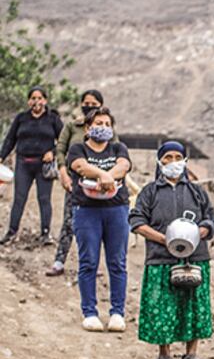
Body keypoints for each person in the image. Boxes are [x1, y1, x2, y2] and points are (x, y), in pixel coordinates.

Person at [128, 141, 214, 359]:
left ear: (185, 160)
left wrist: (199, 233)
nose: (173, 162)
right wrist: (164, 239)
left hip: (194, 258)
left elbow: (210, 218)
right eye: (168, 157)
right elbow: (137, 221)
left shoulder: (197, 191)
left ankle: (191, 354)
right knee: (162, 305)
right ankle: (164, 354)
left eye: (178, 157)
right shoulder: (150, 192)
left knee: (193, 305)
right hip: (161, 258)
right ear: (160, 161)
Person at [66, 107, 132, 332]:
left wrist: (107, 176)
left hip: (117, 209)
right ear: (87, 128)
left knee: (118, 262)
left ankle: (117, 313)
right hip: (86, 210)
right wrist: (103, 174)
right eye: (98, 124)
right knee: (88, 262)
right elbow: (79, 166)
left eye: (107, 124)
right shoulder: (78, 149)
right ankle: (90, 313)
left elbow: (123, 166)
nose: (103, 128)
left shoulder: (118, 148)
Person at [49, 89, 116, 276]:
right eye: (86, 103)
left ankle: (92, 264)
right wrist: (63, 173)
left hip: (100, 187)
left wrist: (108, 178)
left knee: (95, 225)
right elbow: (60, 149)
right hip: (75, 183)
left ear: (101, 106)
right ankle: (59, 260)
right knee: (69, 221)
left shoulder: (107, 129)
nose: (89, 107)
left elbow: (117, 154)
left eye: (94, 104)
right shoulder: (73, 126)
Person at [0, 87, 63, 245]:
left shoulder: (53, 119)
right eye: (33, 98)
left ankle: (45, 233)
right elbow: (10, 139)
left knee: (44, 199)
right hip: (23, 163)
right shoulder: (21, 118)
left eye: (40, 98)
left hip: (44, 165)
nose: (36, 102)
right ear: (28, 101)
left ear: (45, 100)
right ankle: (11, 232)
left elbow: (63, 141)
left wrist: (53, 152)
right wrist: (2, 156)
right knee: (19, 199)